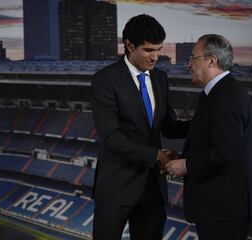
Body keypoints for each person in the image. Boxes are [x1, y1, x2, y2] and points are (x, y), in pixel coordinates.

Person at [91, 14, 189, 240]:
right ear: (128, 45)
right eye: (148, 50)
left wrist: (204, 124)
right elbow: (111, 137)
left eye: (159, 49)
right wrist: (157, 155)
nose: (155, 57)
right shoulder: (105, 80)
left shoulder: (161, 78)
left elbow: (169, 127)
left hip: (153, 188)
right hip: (117, 186)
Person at [166, 34, 252, 240]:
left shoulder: (226, 97)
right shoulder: (218, 92)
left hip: (225, 210)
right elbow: (203, 129)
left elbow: (224, 153)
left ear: (212, 60)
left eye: (193, 58)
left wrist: (186, 165)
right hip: (221, 208)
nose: (188, 65)